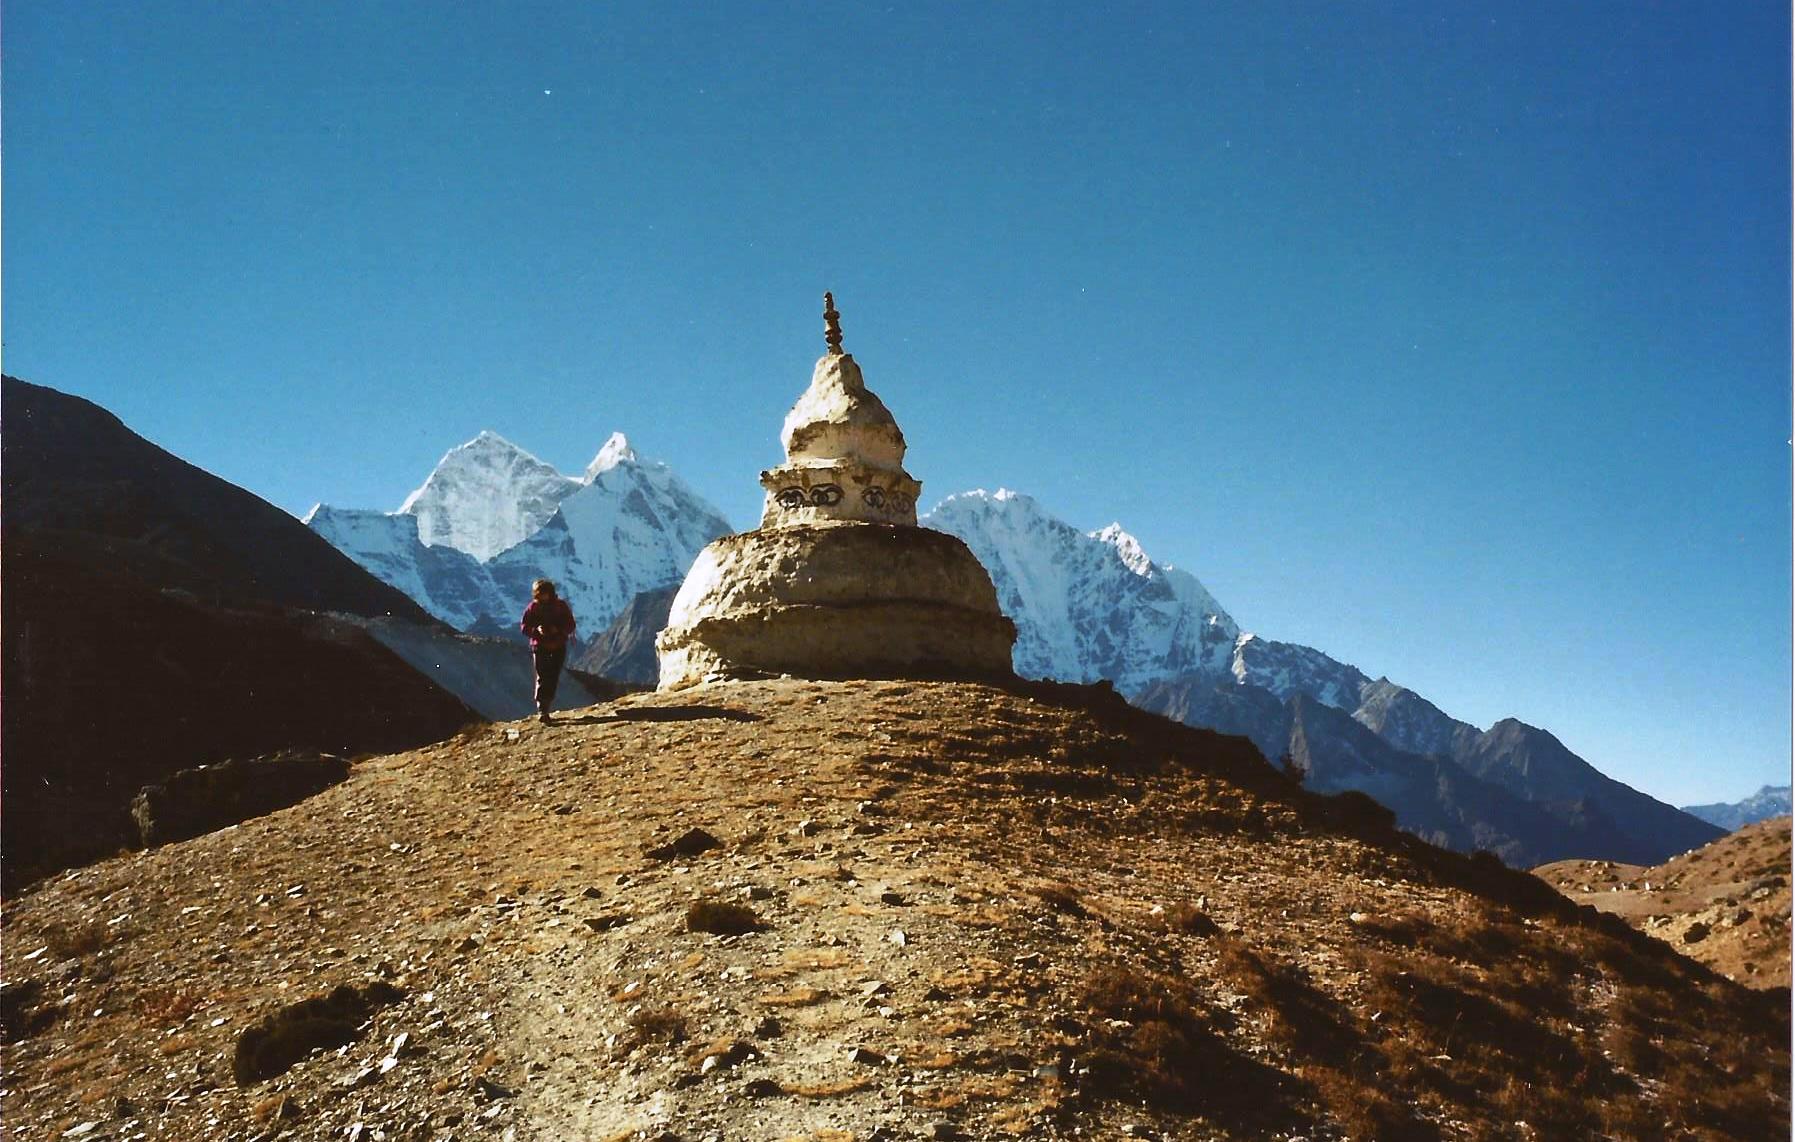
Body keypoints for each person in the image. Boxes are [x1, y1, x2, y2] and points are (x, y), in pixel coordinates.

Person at [520, 579, 576, 723]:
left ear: (550, 593)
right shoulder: (533, 608)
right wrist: (536, 631)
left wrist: (558, 630)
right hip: (540, 646)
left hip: (558, 645)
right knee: (542, 676)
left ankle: (546, 704)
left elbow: (571, 624)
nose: (542, 596)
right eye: (539, 593)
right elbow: (524, 627)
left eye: (544, 593)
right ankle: (542, 709)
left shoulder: (560, 606)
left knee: (553, 676)